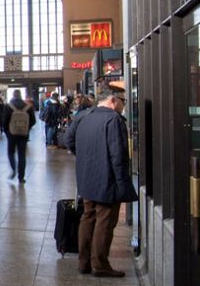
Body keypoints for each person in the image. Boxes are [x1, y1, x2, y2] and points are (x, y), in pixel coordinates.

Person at [68, 89, 138, 278]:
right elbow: (119, 155)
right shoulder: (113, 120)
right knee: (105, 221)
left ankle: (84, 262)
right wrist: (123, 183)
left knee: (88, 216)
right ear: (113, 101)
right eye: (122, 100)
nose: (123, 104)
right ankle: (99, 264)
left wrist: (84, 156)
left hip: (86, 176)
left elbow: (69, 140)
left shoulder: (83, 116)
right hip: (107, 178)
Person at [3, 91, 36, 183]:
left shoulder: (8, 106)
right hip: (24, 134)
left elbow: (4, 121)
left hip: (12, 134)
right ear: (21, 96)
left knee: (11, 152)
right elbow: (33, 121)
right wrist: (27, 129)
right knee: (22, 155)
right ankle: (21, 177)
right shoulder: (28, 107)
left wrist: (7, 131)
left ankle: (14, 169)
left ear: (13, 96)